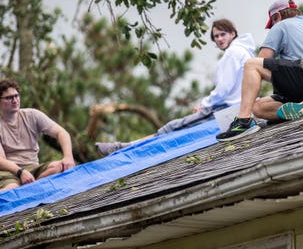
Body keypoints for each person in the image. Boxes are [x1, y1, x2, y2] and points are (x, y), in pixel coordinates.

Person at [96, 19, 255, 156]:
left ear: (233, 33)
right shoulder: (243, 51)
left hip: (224, 108)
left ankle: (124, 147)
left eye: (223, 34)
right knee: (176, 130)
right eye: (216, 36)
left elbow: (223, 89)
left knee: (173, 129)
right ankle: (126, 145)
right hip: (238, 106)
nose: (219, 39)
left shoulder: (232, 53)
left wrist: (204, 104)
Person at [216, 0, 303, 142]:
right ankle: (297, 110)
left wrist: (249, 94)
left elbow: (261, 61)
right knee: (258, 107)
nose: (273, 25)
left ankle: (243, 122)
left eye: (272, 22)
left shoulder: (281, 26)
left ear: (277, 16)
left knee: (251, 65)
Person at [0, 78, 76, 194]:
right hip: (8, 171)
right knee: (11, 191)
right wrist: (21, 172)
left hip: (33, 167)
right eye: (9, 98)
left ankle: (31, 187)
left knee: (61, 167)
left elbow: (62, 133)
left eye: (16, 96)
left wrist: (68, 157)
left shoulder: (32, 115)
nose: (15, 100)